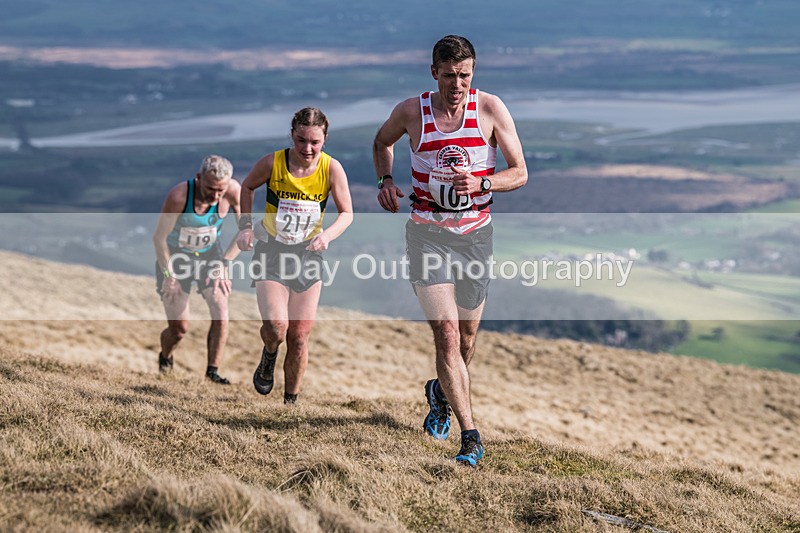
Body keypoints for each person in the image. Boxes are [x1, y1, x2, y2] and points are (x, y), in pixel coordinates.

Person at [373, 35, 528, 466]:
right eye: (448, 76)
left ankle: (439, 392)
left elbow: (520, 173)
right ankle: (471, 436)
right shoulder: (411, 112)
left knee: (466, 340)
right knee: (445, 334)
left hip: (476, 236)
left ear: (472, 74)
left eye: (464, 76)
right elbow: (380, 142)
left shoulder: (491, 109)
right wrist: (385, 181)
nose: (456, 84)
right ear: (433, 73)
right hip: (427, 235)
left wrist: (483, 183)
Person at [237, 107, 353, 404]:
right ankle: (269, 353)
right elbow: (247, 187)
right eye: (301, 140)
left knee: (299, 335)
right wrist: (246, 227)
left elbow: (347, 214)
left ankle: (290, 403)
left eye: (314, 142)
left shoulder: (331, 168)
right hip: (272, 251)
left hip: (308, 254)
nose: (307, 148)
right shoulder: (273, 162)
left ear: (325, 139)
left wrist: (326, 235)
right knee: (277, 327)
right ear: (292, 135)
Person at [152, 155, 242, 384]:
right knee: (179, 328)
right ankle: (166, 357)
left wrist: (225, 264)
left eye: (220, 191)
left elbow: (245, 231)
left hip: (210, 257)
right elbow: (159, 238)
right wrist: (167, 274)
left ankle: (212, 372)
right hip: (175, 259)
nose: (215, 196)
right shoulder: (179, 196)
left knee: (221, 312)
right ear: (199, 178)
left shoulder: (233, 191)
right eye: (211, 189)